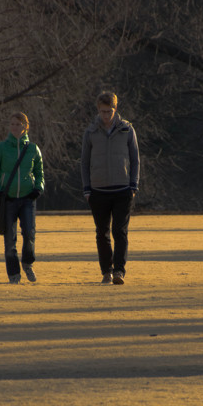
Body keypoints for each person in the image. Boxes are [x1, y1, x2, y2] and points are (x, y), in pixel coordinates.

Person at [80, 91, 139, 284]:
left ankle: (119, 271)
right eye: (103, 111)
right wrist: (87, 189)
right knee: (102, 232)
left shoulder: (127, 130)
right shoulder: (91, 132)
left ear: (115, 109)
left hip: (123, 190)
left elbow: (135, 159)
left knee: (119, 231)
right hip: (98, 191)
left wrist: (133, 185)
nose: (106, 115)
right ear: (98, 110)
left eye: (110, 111)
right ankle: (106, 270)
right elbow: (84, 162)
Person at [0, 111, 44, 284]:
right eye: (12, 124)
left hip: (27, 199)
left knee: (29, 233)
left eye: (18, 124)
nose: (14, 127)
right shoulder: (2, 148)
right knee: (9, 239)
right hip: (8, 200)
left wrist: (38, 188)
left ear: (25, 126)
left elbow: (39, 172)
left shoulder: (33, 149)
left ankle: (27, 263)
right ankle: (14, 274)